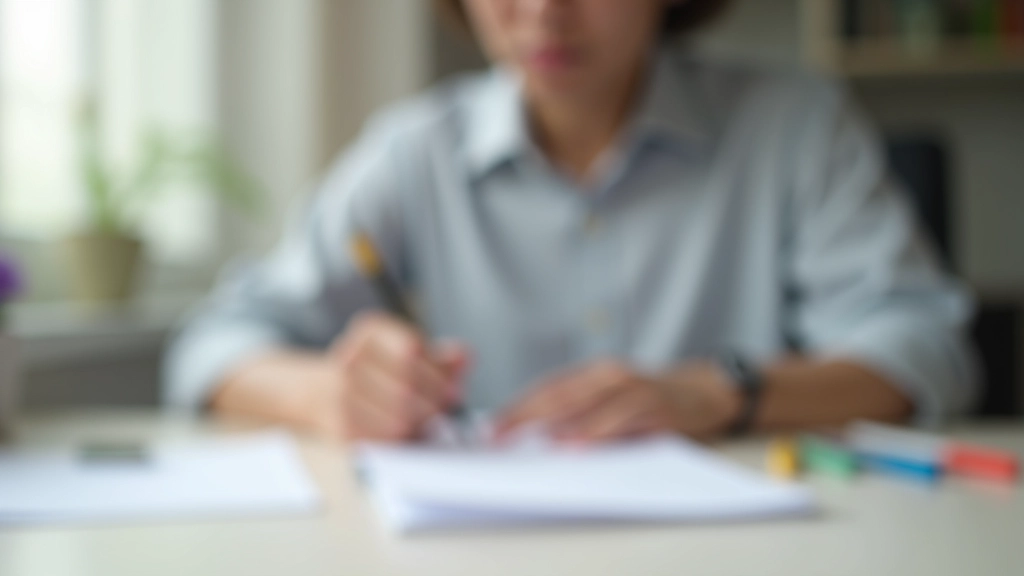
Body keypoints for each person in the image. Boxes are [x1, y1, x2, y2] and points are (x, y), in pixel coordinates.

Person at [166, 0, 976, 444]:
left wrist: (720, 392)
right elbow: (213, 346)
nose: (543, 13)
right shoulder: (413, 154)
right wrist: (332, 393)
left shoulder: (793, 127)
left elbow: (923, 349)